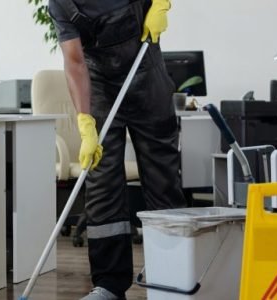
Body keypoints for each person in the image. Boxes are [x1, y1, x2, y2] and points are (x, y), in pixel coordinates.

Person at [48, 0, 186, 299]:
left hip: (147, 79)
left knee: (163, 180)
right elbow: (74, 61)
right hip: (100, 88)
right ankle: (109, 285)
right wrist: (85, 122)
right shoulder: (60, 4)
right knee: (102, 185)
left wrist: (162, 2)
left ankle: (172, 274)